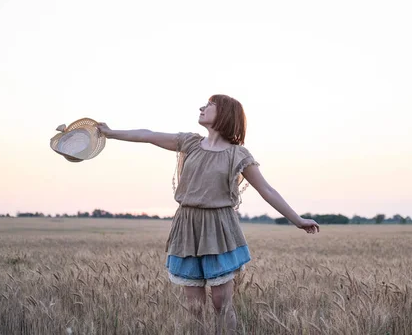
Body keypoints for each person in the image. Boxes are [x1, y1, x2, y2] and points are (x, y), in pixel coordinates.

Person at [96, 94, 320, 334]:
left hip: (219, 229)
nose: (202, 108)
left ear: (224, 113)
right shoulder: (190, 143)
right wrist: (111, 132)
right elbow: (147, 135)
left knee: (221, 304)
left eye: (209, 105)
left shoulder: (239, 155)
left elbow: (267, 190)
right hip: (187, 226)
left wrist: (297, 219)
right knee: (193, 307)